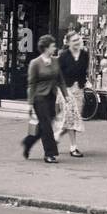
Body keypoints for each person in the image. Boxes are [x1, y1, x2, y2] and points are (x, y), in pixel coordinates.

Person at [23, 34, 66, 163]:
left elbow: (61, 80)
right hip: (39, 97)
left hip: (52, 96)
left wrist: (66, 96)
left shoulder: (55, 61)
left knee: (44, 126)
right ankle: (49, 154)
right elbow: (31, 84)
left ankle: (28, 142)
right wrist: (30, 103)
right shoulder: (35, 63)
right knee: (46, 125)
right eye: (53, 46)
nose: (55, 48)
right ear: (46, 48)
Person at [56, 31, 91, 157]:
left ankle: (57, 135)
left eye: (78, 39)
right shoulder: (63, 55)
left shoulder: (84, 54)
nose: (77, 42)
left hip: (79, 89)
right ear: (69, 42)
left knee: (75, 117)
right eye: (74, 40)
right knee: (72, 117)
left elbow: (84, 71)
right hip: (67, 90)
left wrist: (86, 83)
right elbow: (58, 74)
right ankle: (73, 147)